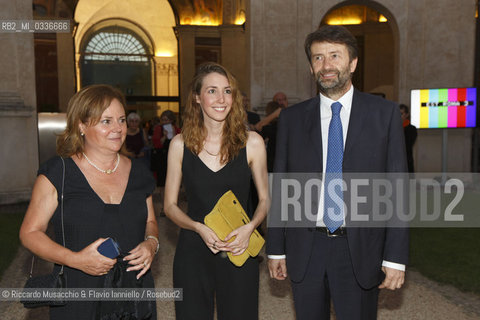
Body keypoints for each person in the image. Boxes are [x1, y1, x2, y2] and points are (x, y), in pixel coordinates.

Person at [266, 25, 409, 320]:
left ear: (353, 63)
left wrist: (395, 257)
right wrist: (276, 249)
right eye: (318, 58)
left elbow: (398, 190)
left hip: (359, 250)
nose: (326, 65)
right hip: (306, 248)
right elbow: (281, 186)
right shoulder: (292, 119)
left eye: (334, 56)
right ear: (310, 67)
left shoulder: (384, 114)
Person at [19, 84, 159, 320]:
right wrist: (75, 260)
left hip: (135, 292)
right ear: (81, 125)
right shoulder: (59, 172)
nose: (118, 128)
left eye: (122, 120)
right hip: (79, 291)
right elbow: (30, 233)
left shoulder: (139, 172)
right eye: (106, 121)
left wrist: (152, 244)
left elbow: (151, 221)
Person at [164, 62, 269, 320]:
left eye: (228, 91)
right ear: (198, 98)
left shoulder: (252, 143)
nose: (221, 99)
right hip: (193, 249)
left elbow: (265, 199)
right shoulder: (179, 145)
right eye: (212, 91)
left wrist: (251, 226)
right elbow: (169, 205)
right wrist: (197, 227)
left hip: (238, 245)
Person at [151, 110, 180, 187]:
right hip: (161, 157)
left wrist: (173, 134)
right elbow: (157, 144)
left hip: (173, 157)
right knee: (162, 180)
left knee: (173, 180)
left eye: (166, 120)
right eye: (163, 120)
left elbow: (179, 144)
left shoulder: (176, 129)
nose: (165, 122)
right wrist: (164, 136)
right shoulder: (158, 129)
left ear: (171, 120)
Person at [399, 104, 418, 173]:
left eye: (401, 114)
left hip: (406, 162)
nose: (398, 116)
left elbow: (407, 145)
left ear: (407, 115)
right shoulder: (393, 128)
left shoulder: (411, 129)